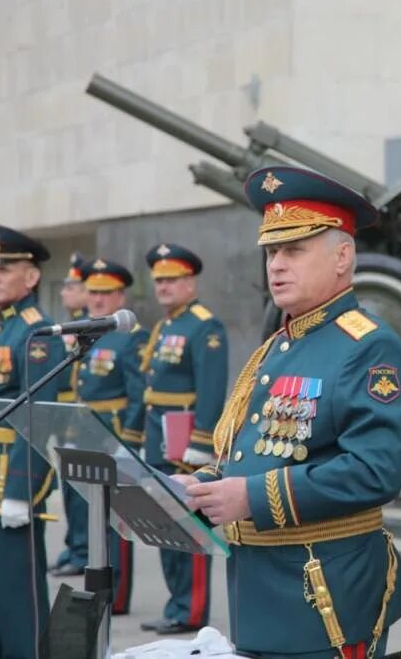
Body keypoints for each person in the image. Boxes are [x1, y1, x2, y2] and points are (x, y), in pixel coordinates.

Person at [176, 166, 401, 659]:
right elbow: (257, 449)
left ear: (343, 257)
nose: (276, 265)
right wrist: (204, 484)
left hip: (325, 597)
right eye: (271, 251)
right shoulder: (279, 345)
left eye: (294, 250)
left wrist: (248, 497)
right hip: (260, 590)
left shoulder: (368, 347)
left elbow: (376, 471)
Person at [0, 224, 64, 658]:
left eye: (4, 268)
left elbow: (40, 418)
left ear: (32, 276)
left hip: (12, 482)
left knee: (19, 599)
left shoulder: (38, 333)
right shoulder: (4, 328)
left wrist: (23, 491)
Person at [138, 243, 229, 634]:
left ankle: (190, 610)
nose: (163, 287)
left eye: (171, 280)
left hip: (187, 442)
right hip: (159, 438)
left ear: (190, 282)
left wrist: (201, 443)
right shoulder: (165, 326)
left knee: (189, 525)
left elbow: (211, 389)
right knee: (164, 525)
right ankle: (176, 604)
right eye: (158, 281)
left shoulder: (204, 325)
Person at [72, 257, 149, 615]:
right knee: (93, 515)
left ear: (121, 295)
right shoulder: (89, 334)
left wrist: (129, 440)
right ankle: (98, 584)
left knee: (117, 519)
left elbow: (138, 392)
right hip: (89, 432)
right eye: (93, 292)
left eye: (106, 293)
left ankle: (116, 594)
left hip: (115, 432)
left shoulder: (130, 337)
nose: (98, 299)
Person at [51, 251, 92, 577]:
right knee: (69, 489)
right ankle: (73, 545)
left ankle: (82, 549)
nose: (64, 292)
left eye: (70, 286)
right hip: (67, 417)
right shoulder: (68, 327)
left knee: (82, 493)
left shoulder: (90, 327)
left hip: (85, 420)